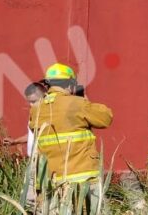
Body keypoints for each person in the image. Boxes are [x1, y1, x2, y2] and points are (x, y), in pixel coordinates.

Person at [30, 63, 113, 192]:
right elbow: (105, 118)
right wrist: (83, 99)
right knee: (87, 212)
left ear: (47, 85)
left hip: (49, 180)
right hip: (81, 179)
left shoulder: (36, 108)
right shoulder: (77, 103)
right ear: (70, 85)